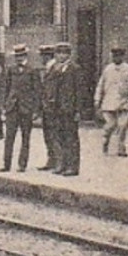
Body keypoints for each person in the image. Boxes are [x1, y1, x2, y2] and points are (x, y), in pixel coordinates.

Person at [0, 44, 43, 173]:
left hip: (26, 108)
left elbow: (37, 91)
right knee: (9, 137)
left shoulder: (32, 71)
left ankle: (22, 164)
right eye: (17, 56)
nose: (19, 59)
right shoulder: (10, 70)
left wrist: (35, 110)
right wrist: (4, 105)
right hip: (12, 108)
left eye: (21, 56)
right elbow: (5, 89)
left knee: (25, 137)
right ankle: (6, 164)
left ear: (25, 56)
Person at [95, 46, 128, 157]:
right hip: (109, 103)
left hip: (124, 103)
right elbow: (100, 86)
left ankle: (121, 148)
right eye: (114, 56)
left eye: (119, 56)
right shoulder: (107, 70)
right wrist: (97, 99)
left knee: (122, 126)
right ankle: (105, 140)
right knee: (111, 125)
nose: (116, 58)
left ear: (123, 57)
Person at [42, 41, 83, 175]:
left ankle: (73, 166)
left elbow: (79, 91)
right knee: (59, 137)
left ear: (69, 55)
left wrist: (78, 110)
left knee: (71, 138)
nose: (61, 56)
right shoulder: (53, 68)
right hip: (56, 109)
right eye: (58, 53)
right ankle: (62, 164)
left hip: (69, 108)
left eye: (64, 53)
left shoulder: (74, 69)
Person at [36, 45, 60, 172]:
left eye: (42, 56)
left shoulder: (55, 69)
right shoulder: (48, 69)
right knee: (48, 135)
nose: (41, 59)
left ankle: (58, 162)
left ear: (47, 56)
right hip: (46, 107)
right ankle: (51, 160)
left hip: (52, 108)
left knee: (54, 135)